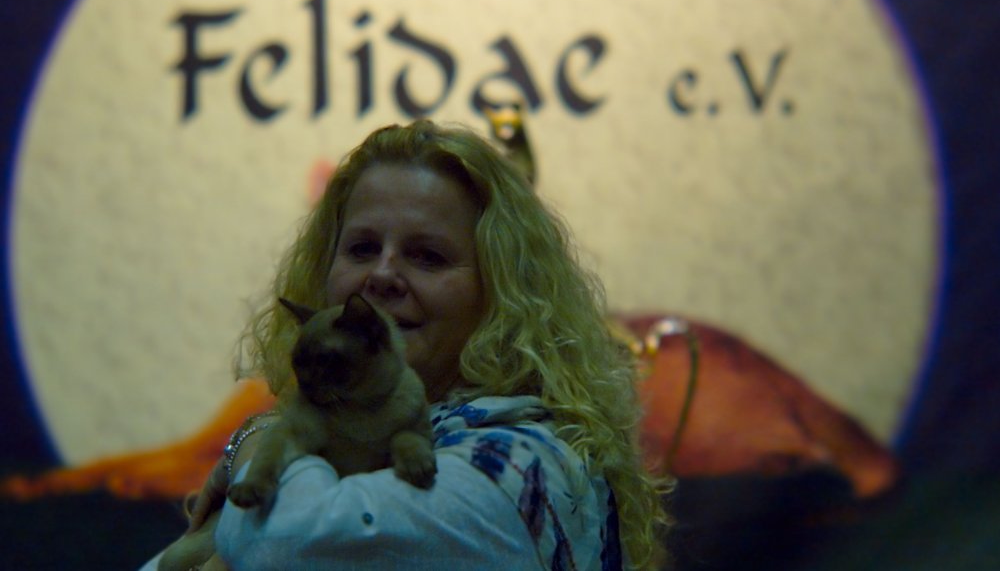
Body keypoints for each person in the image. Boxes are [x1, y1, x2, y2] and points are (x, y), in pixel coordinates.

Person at [143, 119, 668, 570]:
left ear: (503, 292)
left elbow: (286, 542)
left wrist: (258, 443)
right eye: (362, 248)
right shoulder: (345, 436)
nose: (382, 275)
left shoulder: (516, 468)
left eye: (427, 256)